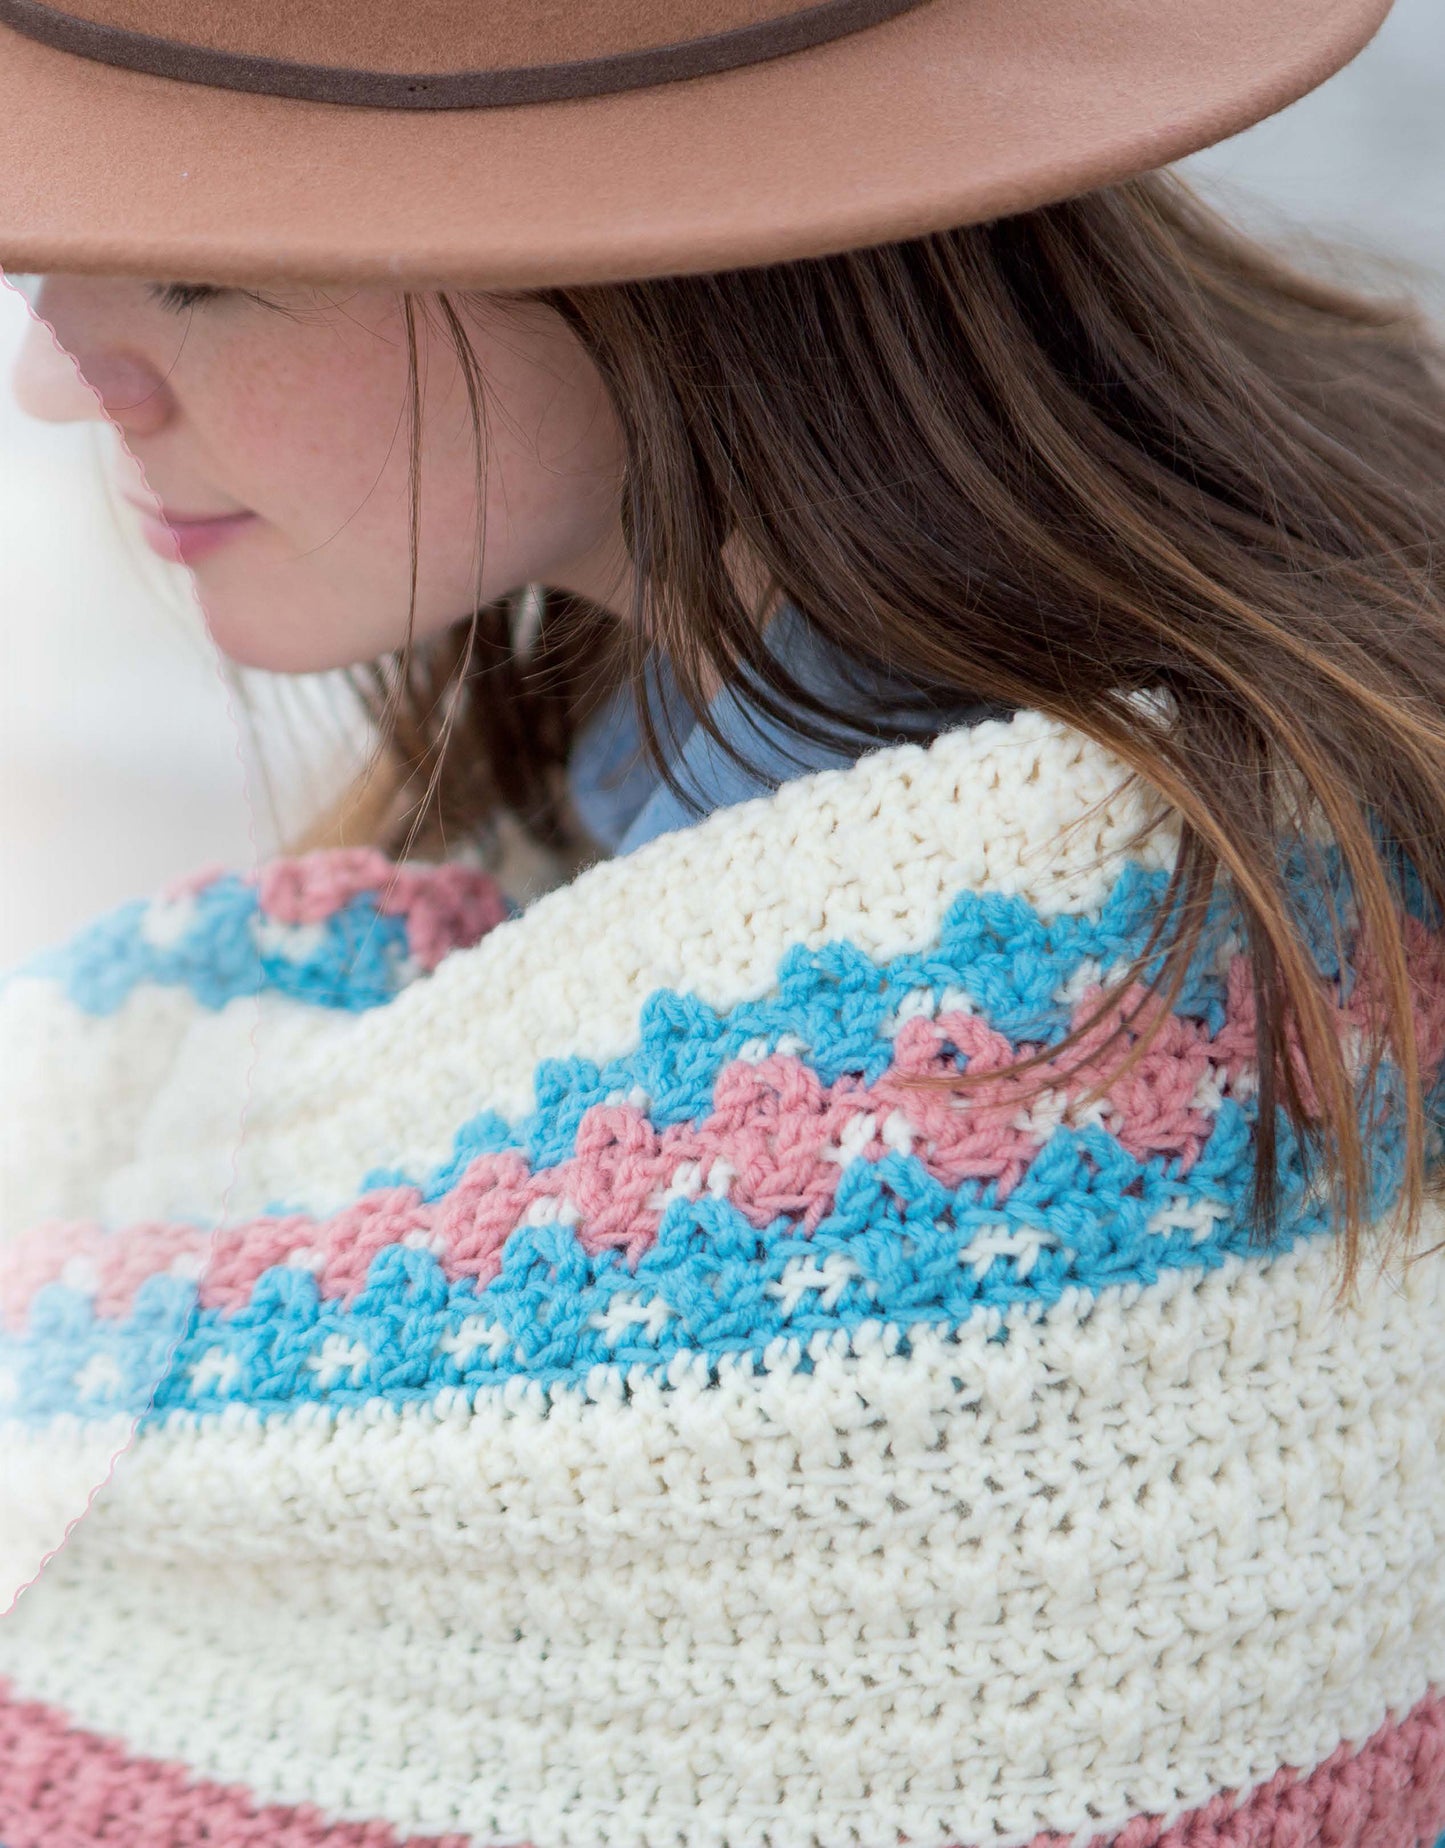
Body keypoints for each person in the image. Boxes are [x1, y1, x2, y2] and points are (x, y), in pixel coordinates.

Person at [0, 1, 1443, 1844]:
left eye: (201, 280)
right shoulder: (1258, 675)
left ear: (657, 270)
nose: (61, 376)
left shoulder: (984, 1080)